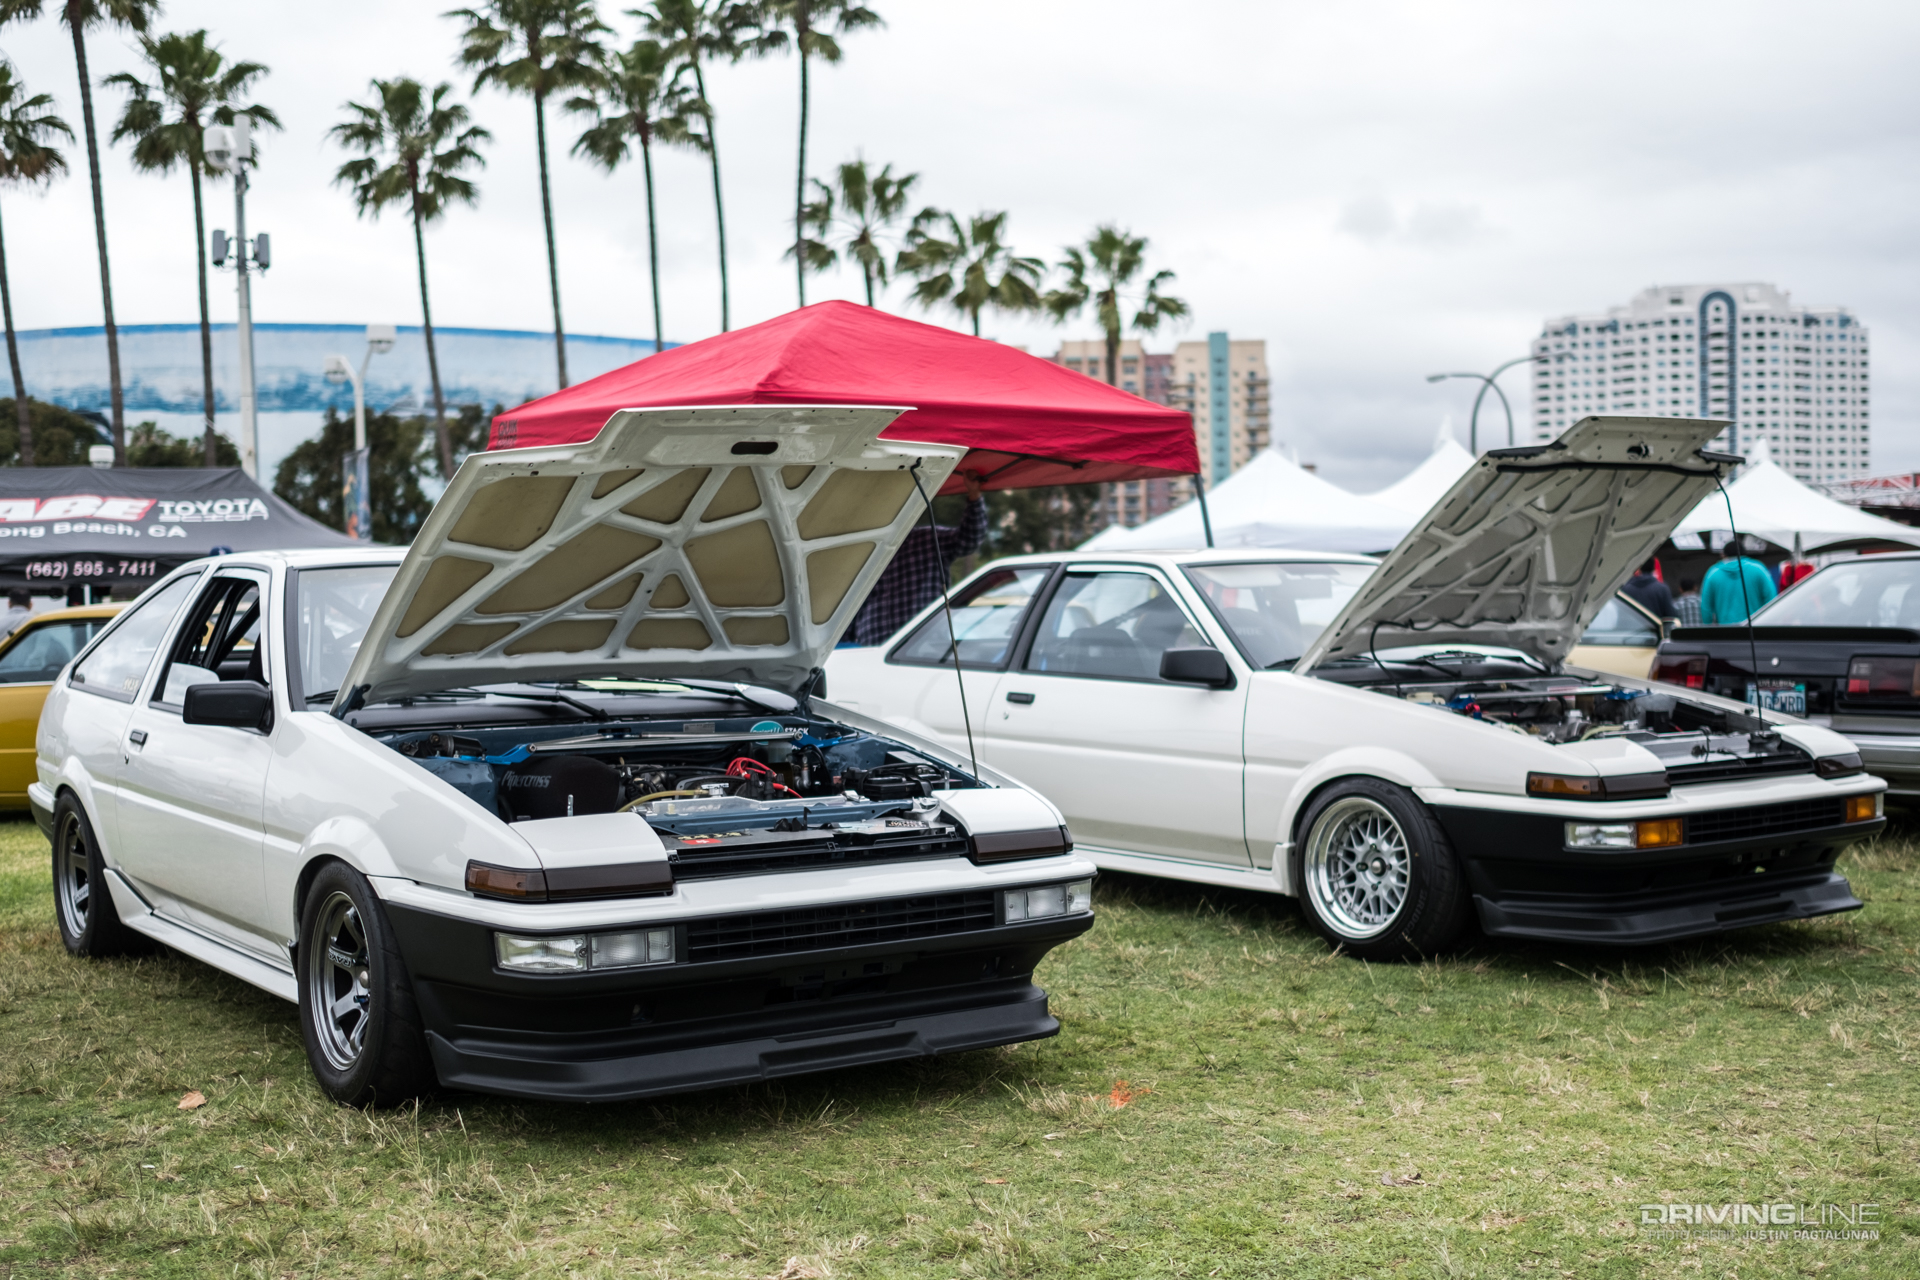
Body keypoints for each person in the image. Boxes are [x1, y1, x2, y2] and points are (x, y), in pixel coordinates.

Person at [843, 472, 988, 646]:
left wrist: (974, 496)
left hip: (922, 641)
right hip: (874, 644)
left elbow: (970, 539)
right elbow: (851, 602)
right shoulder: (862, 550)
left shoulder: (929, 538)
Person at [1700, 540, 1777, 625]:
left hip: (1727, 631)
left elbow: (1705, 607)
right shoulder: (1759, 570)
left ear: (1723, 555)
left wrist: (1708, 627)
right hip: (1755, 628)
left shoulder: (1713, 574)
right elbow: (1771, 599)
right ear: (1744, 553)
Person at [1620, 557, 1677, 622]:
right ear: (1653, 568)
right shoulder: (1662, 588)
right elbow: (1670, 616)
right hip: (1653, 631)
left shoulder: (1625, 589)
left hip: (1631, 630)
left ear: (1638, 568)